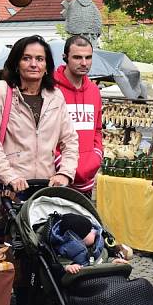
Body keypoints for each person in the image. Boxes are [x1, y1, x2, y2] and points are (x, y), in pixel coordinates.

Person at [0, 35, 79, 192]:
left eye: (40, 59)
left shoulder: (55, 96)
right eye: (26, 58)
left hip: (45, 186)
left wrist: (65, 173)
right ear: (16, 63)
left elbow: (70, 140)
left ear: (46, 66)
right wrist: (9, 176)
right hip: (8, 187)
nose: (34, 64)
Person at [53, 35, 103, 196]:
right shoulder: (51, 89)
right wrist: (61, 163)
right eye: (77, 57)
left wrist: (96, 156)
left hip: (87, 179)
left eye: (88, 57)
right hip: (57, 177)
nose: (84, 63)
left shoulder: (94, 90)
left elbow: (97, 129)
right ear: (65, 58)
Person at [48, 213, 131, 274]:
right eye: (89, 231)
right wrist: (68, 267)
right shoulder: (66, 251)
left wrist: (112, 262)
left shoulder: (96, 245)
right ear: (78, 240)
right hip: (85, 283)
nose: (94, 231)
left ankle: (117, 251)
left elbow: (102, 260)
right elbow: (59, 264)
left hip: (101, 274)